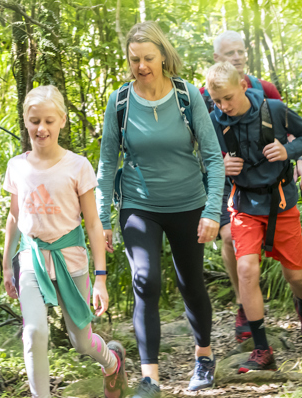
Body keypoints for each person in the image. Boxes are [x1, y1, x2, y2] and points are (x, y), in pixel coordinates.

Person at [96, 22, 225, 398]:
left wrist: (212, 212)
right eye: (134, 59)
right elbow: (106, 164)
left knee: (191, 283)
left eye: (148, 58)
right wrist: (104, 218)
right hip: (139, 204)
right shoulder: (120, 101)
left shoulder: (187, 95)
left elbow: (214, 158)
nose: (141, 66)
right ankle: (150, 379)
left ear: (164, 56)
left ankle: (203, 355)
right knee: (145, 280)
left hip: (188, 203)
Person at [1, 85, 127, 398]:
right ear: (25, 120)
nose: (41, 128)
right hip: (31, 258)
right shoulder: (17, 166)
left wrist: (101, 278)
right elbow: (15, 217)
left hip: (70, 257)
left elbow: (94, 224)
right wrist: (6, 266)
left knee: (81, 341)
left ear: (62, 121)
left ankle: (112, 363)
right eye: (34, 121)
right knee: (34, 332)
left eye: (48, 121)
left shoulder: (78, 166)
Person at [205, 62, 302, 372]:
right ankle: (262, 350)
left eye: (228, 98)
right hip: (243, 204)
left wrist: (289, 151)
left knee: (295, 275)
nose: (224, 107)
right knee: (246, 269)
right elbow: (202, 160)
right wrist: (221, 166)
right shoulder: (214, 121)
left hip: (281, 203)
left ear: (244, 86)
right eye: (217, 102)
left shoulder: (273, 109)